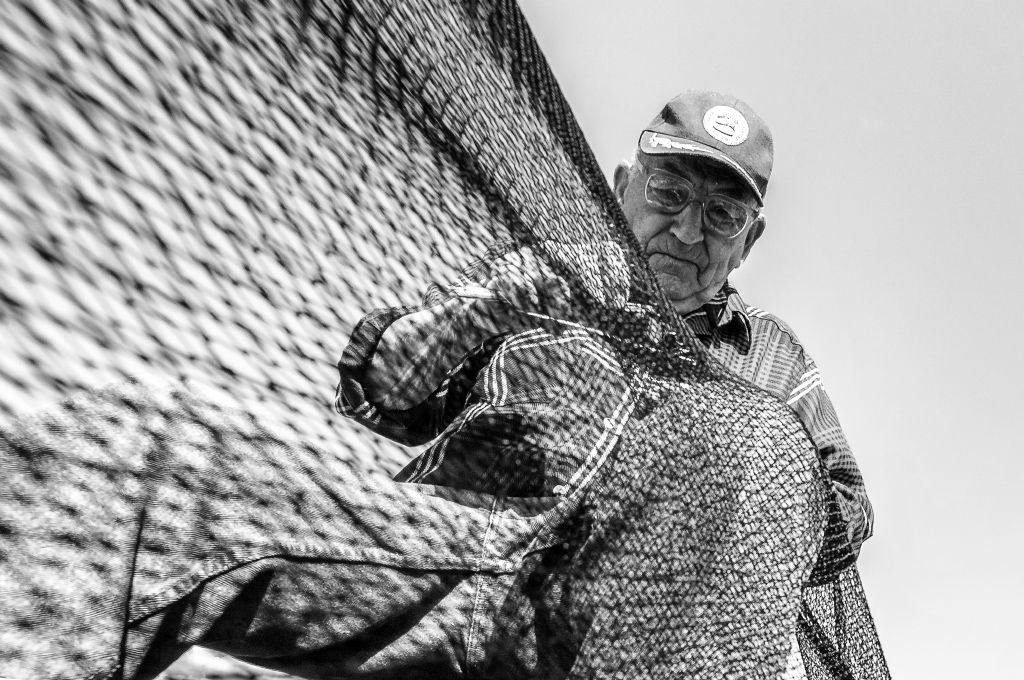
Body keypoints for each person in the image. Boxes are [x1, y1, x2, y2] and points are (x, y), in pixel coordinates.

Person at [337, 90, 873, 555]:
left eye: (723, 215)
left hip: (624, 640)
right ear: (622, 189)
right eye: (669, 192)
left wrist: (719, 461)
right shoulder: (542, 272)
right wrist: (481, 307)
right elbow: (385, 402)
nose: (688, 231)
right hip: (441, 551)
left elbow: (848, 517)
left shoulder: (775, 359)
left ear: (748, 243)